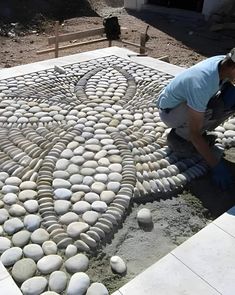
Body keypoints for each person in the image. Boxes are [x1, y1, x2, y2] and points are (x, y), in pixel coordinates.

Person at [157, 48, 235, 190]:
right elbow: (194, 133)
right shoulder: (202, 84)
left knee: (232, 96)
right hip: (170, 113)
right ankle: (178, 139)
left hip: (185, 102)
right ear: (233, 68)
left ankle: (198, 130)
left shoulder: (224, 63)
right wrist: (216, 165)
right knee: (204, 117)